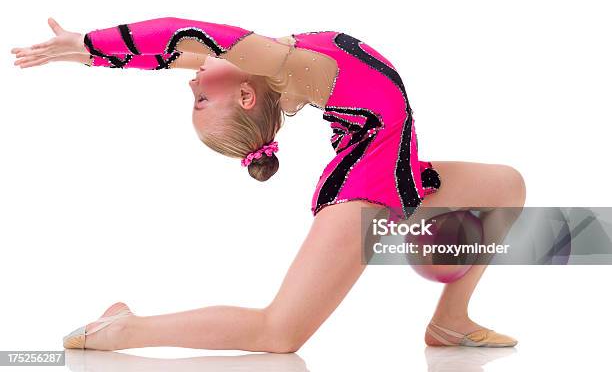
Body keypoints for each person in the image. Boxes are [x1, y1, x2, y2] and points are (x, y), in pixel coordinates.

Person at [11, 17, 526, 351]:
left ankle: (450, 321)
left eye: (195, 98)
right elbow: (180, 34)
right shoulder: (283, 65)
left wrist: (88, 52)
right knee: (279, 332)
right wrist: (87, 46)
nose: (191, 81)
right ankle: (126, 329)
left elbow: (172, 49)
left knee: (505, 187)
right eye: (201, 101)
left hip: (400, 172)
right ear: (247, 98)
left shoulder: (272, 63)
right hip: (367, 190)